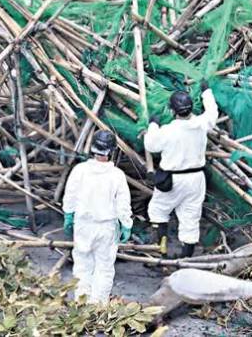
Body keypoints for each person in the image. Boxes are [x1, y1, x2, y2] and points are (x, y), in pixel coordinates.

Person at [144, 80, 218, 258]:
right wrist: (206, 92)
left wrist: (153, 124)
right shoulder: (201, 124)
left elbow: (151, 145)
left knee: (158, 210)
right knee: (191, 216)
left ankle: (161, 249)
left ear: (172, 110)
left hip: (173, 180)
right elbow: (212, 113)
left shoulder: (168, 130)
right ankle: (186, 258)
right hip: (196, 179)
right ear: (191, 108)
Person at [63, 130, 133, 303]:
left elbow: (70, 195)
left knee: (82, 264)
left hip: (83, 224)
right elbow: (123, 204)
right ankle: (98, 307)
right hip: (106, 227)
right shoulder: (117, 175)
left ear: (93, 148)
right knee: (104, 267)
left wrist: (69, 215)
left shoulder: (80, 170)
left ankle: (81, 303)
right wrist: (126, 224)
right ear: (112, 150)